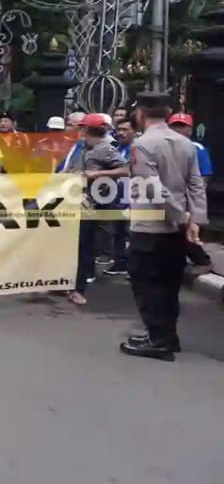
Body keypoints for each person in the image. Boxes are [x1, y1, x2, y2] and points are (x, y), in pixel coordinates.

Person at [120, 92, 208, 361]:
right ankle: (166, 334)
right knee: (169, 284)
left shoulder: (142, 145)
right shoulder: (186, 143)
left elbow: (152, 189)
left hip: (150, 226)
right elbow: (196, 183)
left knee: (147, 283)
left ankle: (158, 340)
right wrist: (195, 220)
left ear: (140, 114)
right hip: (177, 229)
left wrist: (181, 217)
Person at [68, 113, 129, 306]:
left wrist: (98, 173)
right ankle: (65, 283)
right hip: (73, 200)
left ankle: (78, 288)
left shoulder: (105, 149)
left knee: (84, 246)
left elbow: (125, 170)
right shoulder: (82, 148)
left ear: (86, 130)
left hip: (92, 204)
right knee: (70, 246)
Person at [168, 113, 214, 268]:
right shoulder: (164, 146)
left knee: (187, 230)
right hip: (169, 195)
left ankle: (202, 261)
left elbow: (205, 175)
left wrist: (195, 199)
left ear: (190, 129)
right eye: (175, 126)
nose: (178, 130)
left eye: (182, 126)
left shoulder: (197, 148)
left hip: (188, 196)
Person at [102, 117, 137, 278]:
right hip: (116, 198)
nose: (121, 133)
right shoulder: (117, 149)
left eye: (125, 130)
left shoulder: (138, 149)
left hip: (133, 198)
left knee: (133, 233)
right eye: (119, 130)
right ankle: (120, 263)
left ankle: (134, 265)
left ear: (134, 131)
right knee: (118, 232)